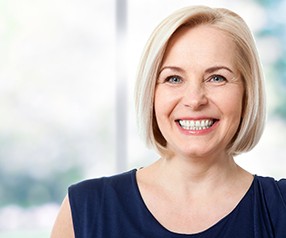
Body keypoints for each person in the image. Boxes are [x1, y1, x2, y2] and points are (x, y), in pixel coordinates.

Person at [51, 5, 286, 238]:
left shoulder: (280, 208)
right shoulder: (84, 208)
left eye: (217, 78)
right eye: (173, 78)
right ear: (151, 94)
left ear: (247, 93)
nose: (194, 100)